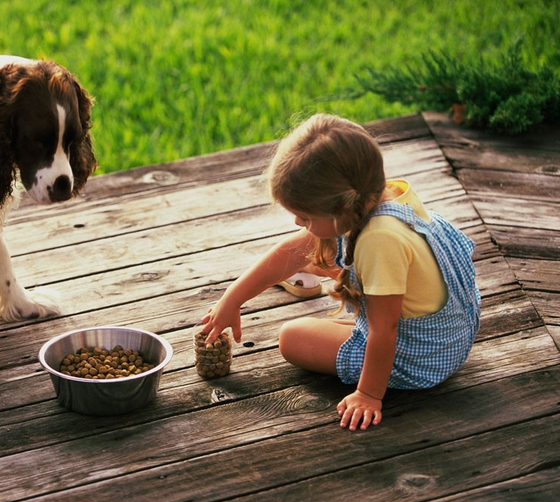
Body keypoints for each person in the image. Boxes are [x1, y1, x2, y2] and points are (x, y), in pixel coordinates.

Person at [200, 113, 480, 431]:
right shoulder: (382, 195)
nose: (297, 224)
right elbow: (292, 253)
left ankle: (374, 375)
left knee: (292, 337)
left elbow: (385, 330)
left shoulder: (379, 240)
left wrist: (369, 394)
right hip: (454, 330)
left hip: (425, 358)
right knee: (314, 256)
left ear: (343, 208)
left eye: (305, 217)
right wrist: (232, 300)